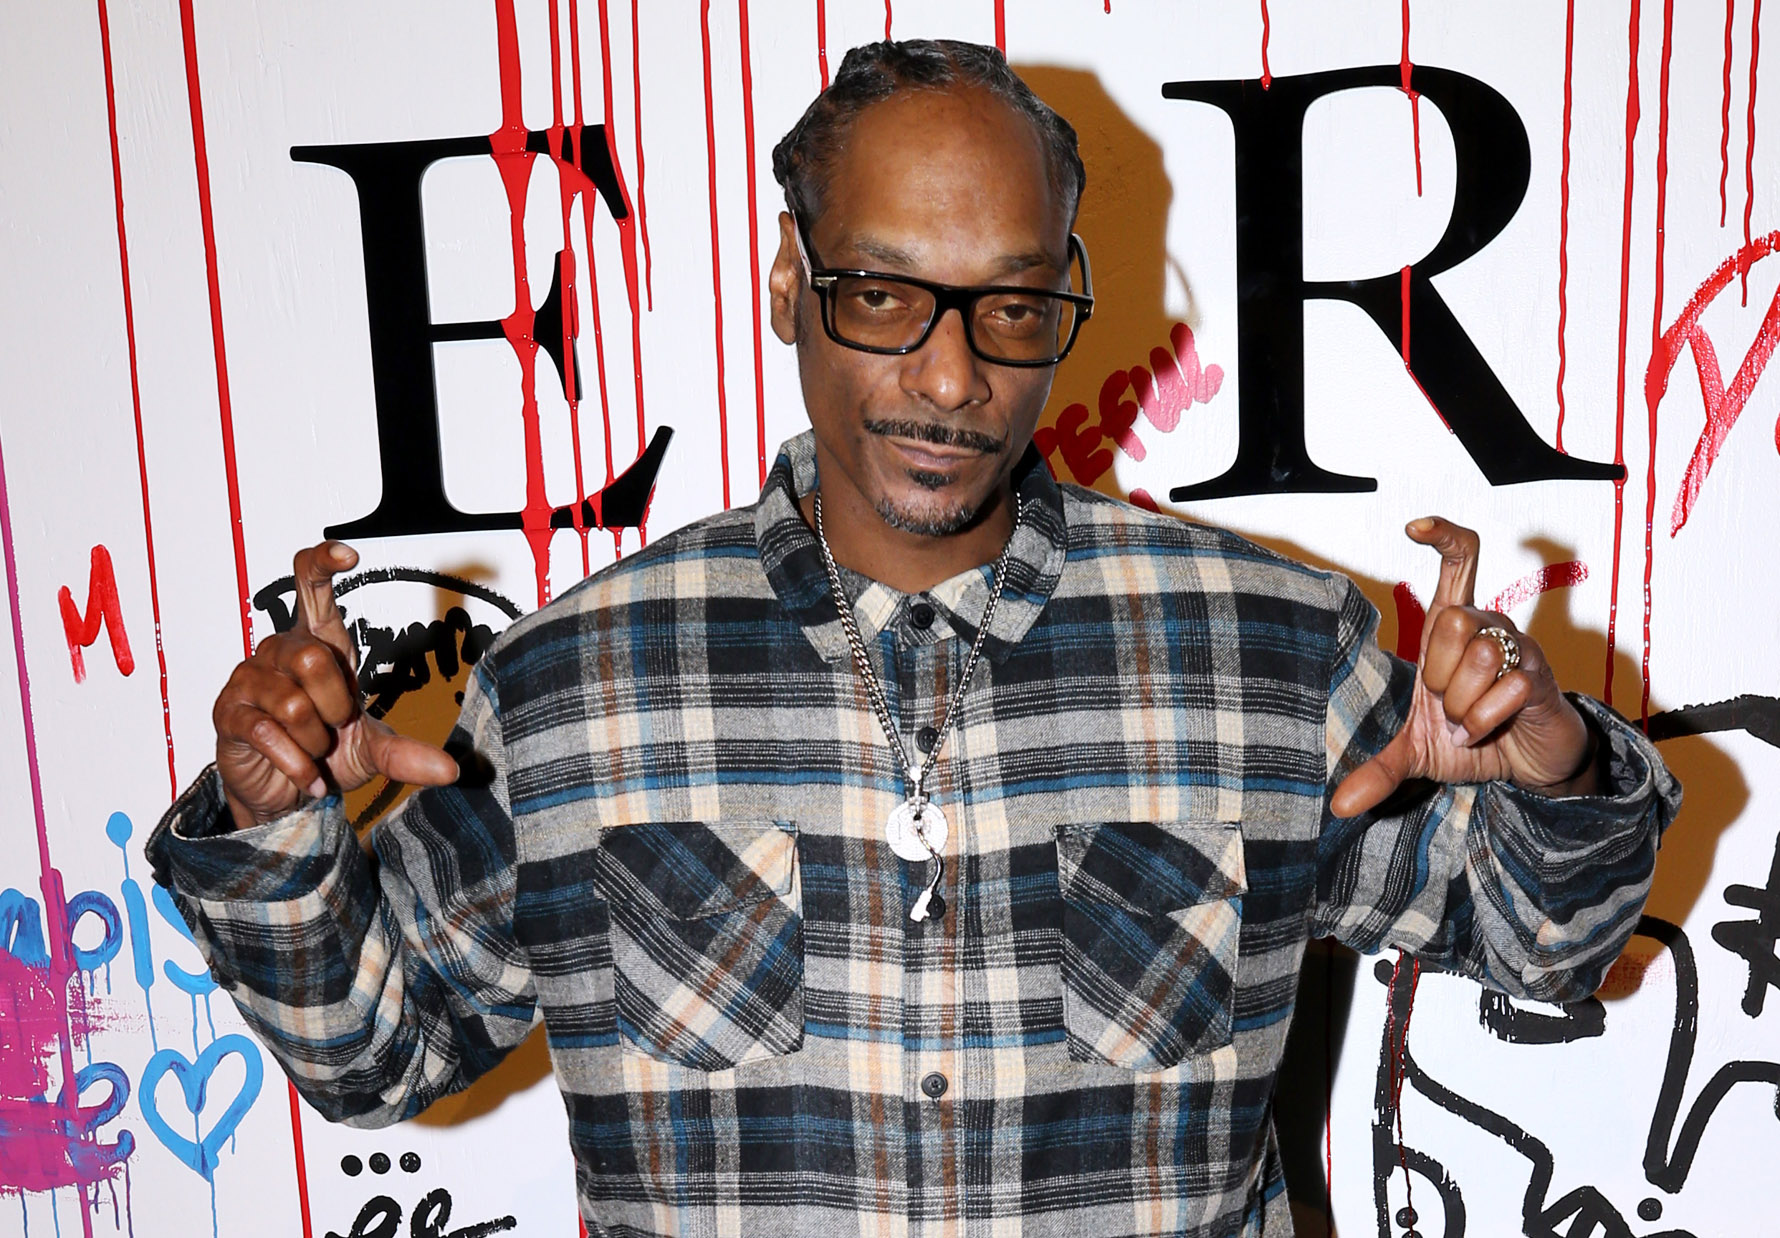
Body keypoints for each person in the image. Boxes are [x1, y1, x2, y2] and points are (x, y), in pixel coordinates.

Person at [149, 38, 1679, 1237]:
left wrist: (1553, 772)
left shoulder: (1268, 652)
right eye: (883, 295)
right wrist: (274, 829)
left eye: (1010, 307)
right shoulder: (575, 688)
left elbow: (1549, 945)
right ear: (788, 282)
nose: (951, 378)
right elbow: (374, 1055)